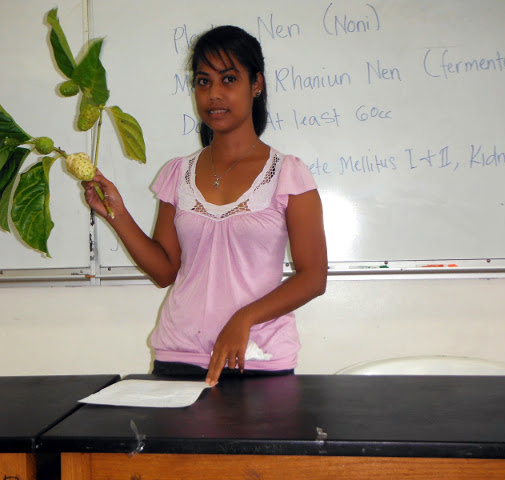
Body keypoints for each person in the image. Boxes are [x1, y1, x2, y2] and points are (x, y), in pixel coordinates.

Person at [83, 25, 327, 386]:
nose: (214, 94)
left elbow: (314, 277)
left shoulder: (287, 174)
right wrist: (115, 213)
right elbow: (165, 271)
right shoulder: (178, 173)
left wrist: (244, 318)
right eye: (203, 81)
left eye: (228, 79)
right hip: (178, 357)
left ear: (256, 84)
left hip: (258, 358)